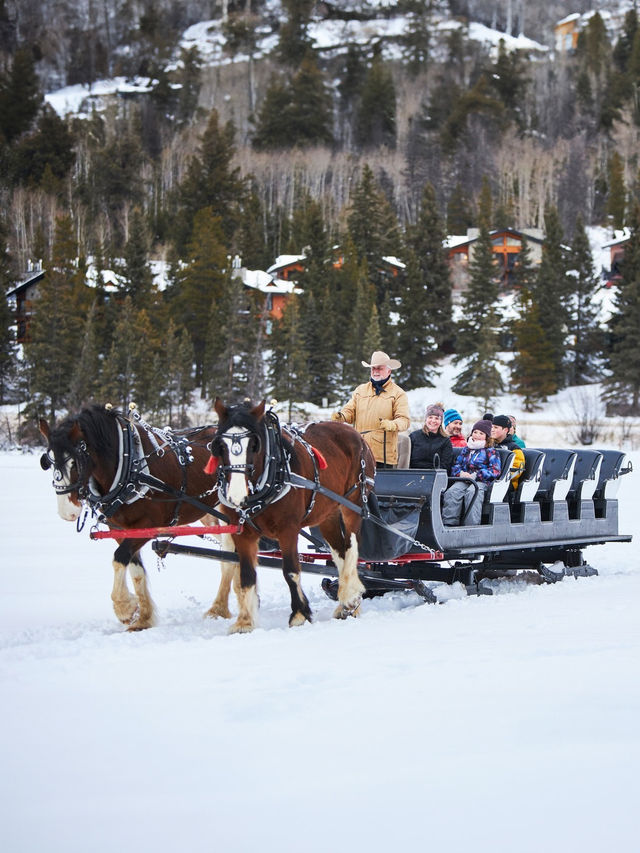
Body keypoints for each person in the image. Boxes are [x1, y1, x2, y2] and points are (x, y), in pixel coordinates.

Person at [331, 351, 410, 468]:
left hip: (382, 456)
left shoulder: (398, 393)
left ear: (389, 371)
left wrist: (392, 425)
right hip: (359, 451)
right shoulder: (360, 390)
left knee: (380, 486)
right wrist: (341, 416)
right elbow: (350, 411)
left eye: (379, 368)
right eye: (373, 368)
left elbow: (404, 420)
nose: (375, 371)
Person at [442, 419, 501, 526]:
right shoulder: (467, 449)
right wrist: (460, 473)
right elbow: (456, 465)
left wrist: (476, 475)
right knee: (452, 492)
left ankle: (471, 526)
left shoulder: (490, 451)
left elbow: (495, 470)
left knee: (472, 492)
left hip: (481, 481)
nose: (477, 435)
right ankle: (449, 524)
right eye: (475, 432)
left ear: (487, 436)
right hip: (465, 479)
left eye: (481, 433)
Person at [409, 404, 454, 472]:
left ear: (441, 421)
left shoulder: (445, 441)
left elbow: (445, 465)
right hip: (414, 474)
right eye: (430, 417)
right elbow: (407, 461)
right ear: (426, 419)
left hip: (435, 476)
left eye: (436, 418)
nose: (433, 421)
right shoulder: (414, 436)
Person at [491, 414, 525, 489]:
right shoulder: (489, 445)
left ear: (506, 430)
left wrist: (501, 477)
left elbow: (518, 470)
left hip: (507, 485)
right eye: (492, 427)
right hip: (488, 480)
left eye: (496, 427)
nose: (492, 430)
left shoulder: (514, 448)